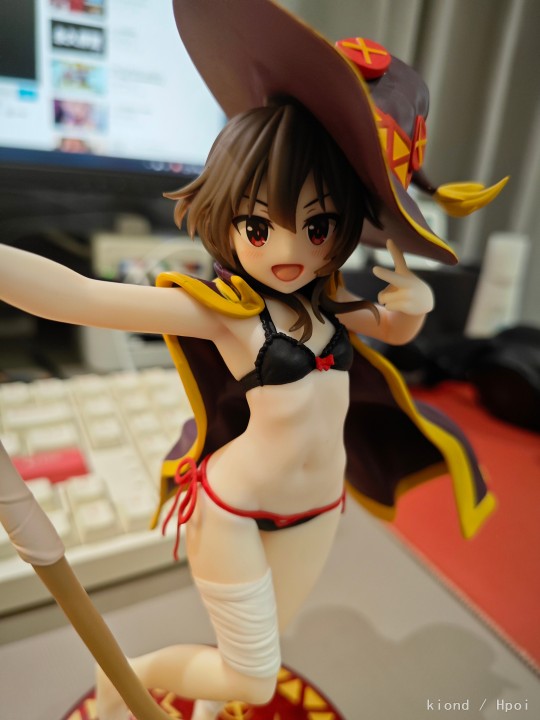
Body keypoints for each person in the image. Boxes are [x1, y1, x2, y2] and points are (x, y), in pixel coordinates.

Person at [0, 2, 503, 718]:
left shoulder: (330, 306)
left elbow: (393, 327)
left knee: (253, 658)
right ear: (228, 216)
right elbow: (82, 296)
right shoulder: (231, 314)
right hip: (233, 511)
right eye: (259, 227)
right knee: (254, 678)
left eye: (318, 225)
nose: (290, 252)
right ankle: (131, 677)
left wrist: (415, 302)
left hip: (318, 508)